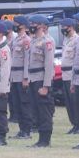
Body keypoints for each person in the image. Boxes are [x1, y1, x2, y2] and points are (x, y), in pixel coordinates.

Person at [26, 14, 55, 147]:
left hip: (41, 80)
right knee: (36, 109)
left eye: (34, 24)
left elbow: (49, 65)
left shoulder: (47, 41)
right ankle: (40, 138)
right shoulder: (32, 41)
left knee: (44, 110)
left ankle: (45, 139)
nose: (31, 26)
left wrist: (46, 86)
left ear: (42, 26)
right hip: (33, 79)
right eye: (31, 24)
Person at [8, 16, 33, 139]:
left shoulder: (26, 40)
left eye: (16, 24)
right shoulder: (15, 39)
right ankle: (21, 130)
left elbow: (27, 60)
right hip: (14, 77)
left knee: (24, 104)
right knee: (17, 105)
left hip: (22, 76)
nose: (14, 25)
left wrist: (26, 78)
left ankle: (27, 131)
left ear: (22, 26)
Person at [59, 18, 79, 134]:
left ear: (70, 27)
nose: (62, 29)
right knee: (69, 103)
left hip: (72, 74)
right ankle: (74, 124)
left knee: (75, 102)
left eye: (64, 27)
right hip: (64, 74)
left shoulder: (76, 40)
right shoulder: (66, 40)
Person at [3, 19, 17, 123]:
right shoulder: (5, 41)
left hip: (14, 70)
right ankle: (12, 114)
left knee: (15, 94)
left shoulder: (14, 40)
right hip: (7, 69)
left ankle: (16, 115)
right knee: (10, 94)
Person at [72, 12, 79, 149]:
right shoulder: (78, 40)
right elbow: (75, 64)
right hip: (78, 80)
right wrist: (73, 82)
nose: (77, 25)